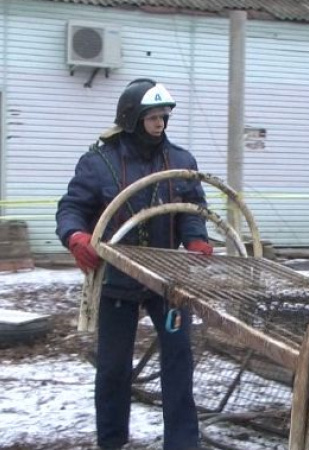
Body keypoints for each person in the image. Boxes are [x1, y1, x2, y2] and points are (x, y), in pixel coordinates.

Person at [56, 78, 212, 450]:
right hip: (116, 279)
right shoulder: (98, 163)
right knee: (113, 368)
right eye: (152, 117)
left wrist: (196, 237)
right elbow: (71, 208)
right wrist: (75, 237)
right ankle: (111, 442)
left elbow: (193, 209)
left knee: (178, 361)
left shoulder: (181, 162)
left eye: (164, 117)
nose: (160, 124)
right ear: (132, 119)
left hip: (169, 280)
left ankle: (182, 442)